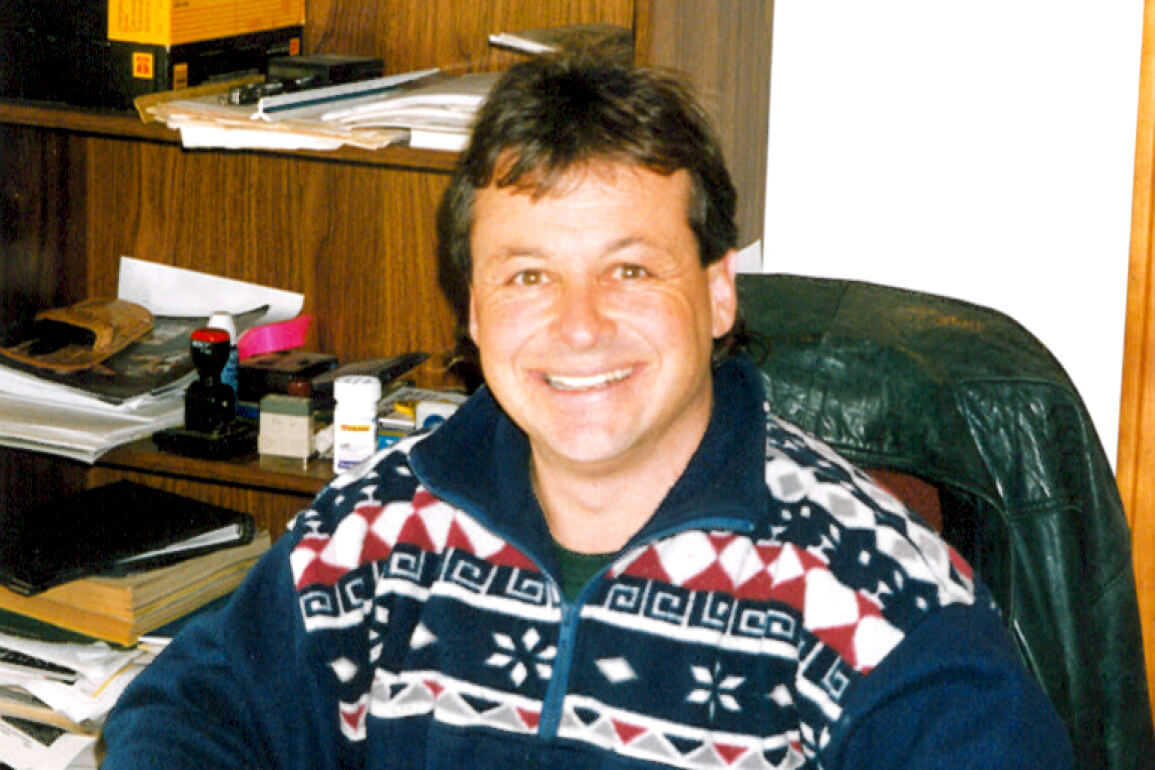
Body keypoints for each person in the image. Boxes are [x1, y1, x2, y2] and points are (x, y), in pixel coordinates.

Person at [100, 53, 1072, 768]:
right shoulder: (378, 534)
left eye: (630, 269)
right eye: (529, 275)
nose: (579, 325)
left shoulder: (873, 596)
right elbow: (184, 712)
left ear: (720, 290)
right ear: (475, 312)